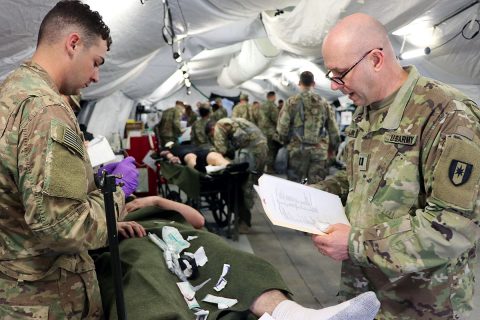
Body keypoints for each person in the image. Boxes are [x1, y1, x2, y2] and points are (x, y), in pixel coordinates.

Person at [312, 13, 480, 319]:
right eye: (331, 75)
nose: (335, 86)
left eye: (340, 74)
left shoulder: (448, 117)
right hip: (367, 294)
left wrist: (356, 244)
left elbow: (454, 227)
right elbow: (359, 180)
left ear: (376, 59)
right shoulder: (368, 110)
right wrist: (313, 195)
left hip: (424, 305)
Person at [0, 1, 139, 319]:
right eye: (96, 62)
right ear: (73, 43)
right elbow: (63, 228)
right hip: (50, 299)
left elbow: (21, 186)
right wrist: (115, 194)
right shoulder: (47, 110)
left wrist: (87, 177)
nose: (96, 76)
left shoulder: (11, 91)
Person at [93, 195, 381, 320]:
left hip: (177, 235)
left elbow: (197, 221)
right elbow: (82, 231)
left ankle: (291, 314)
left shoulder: (147, 203)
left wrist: (155, 201)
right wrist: (114, 223)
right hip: (131, 242)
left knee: (234, 258)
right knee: (145, 273)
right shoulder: (102, 211)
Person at [277, 71, 340, 183]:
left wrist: (286, 143)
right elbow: (333, 130)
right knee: (316, 187)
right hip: (318, 152)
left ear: (299, 83)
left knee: (294, 186)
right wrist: (333, 148)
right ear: (314, 84)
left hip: (297, 151)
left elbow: (282, 128)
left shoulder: (291, 102)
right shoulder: (323, 102)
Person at [211, 118, 267, 233]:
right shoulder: (233, 121)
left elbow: (221, 148)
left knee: (244, 184)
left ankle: (244, 221)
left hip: (251, 152)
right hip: (262, 149)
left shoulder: (218, 126)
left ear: (211, 130)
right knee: (251, 182)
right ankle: (242, 218)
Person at [257, 91, 280, 173]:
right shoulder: (272, 106)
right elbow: (276, 119)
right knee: (271, 150)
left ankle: (260, 167)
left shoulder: (261, 106)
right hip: (270, 132)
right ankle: (270, 168)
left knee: (262, 150)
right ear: (273, 97)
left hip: (261, 132)